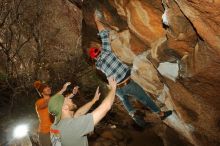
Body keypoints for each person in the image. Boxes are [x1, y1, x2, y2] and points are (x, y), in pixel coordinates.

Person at [88, 10, 172, 127]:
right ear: (99, 51)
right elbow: (103, 33)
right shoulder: (106, 51)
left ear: (94, 58)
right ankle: (161, 113)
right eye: (98, 49)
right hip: (126, 82)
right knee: (144, 98)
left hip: (116, 88)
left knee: (125, 100)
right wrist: (97, 20)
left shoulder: (98, 65)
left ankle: (133, 114)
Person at [48, 77, 117, 146]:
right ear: (65, 107)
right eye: (67, 99)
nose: (70, 98)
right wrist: (113, 88)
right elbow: (105, 107)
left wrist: (93, 100)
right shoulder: (73, 126)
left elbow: (78, 113)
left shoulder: (54, 126)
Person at [34, 81, 71, 146]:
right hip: (44, 132)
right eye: (45, 88)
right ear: (42, 92)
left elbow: (64, 101)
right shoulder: (39, 102)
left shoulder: (54, 99)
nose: (48, 88)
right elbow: (48, 103)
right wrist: (62, 90)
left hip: (55, 130)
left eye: (49, 87)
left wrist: (73, 94)